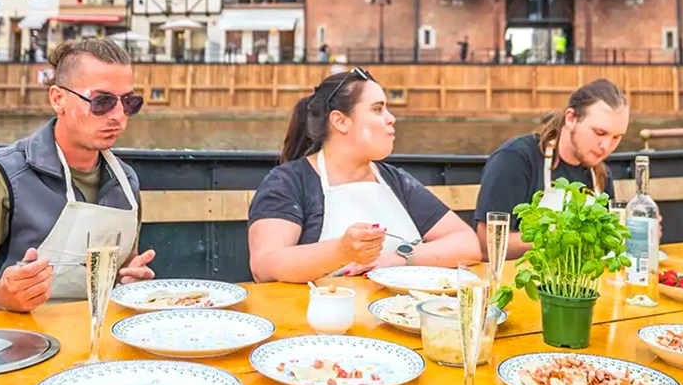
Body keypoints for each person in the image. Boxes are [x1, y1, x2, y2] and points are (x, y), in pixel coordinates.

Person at [0, 38, 157, 317]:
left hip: (94, 336)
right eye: (102, 102)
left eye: (129, 102)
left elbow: (122, 273)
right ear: (58, 99)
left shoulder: (126, 181)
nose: (118, 116)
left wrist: (129, 284)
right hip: (10, 339)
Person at [247, 67, 480, 282]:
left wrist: (398, 259)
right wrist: (341, 251)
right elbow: (264, 265)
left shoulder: (395, 181)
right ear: (340, 121)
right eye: (377, 109)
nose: (391, 118)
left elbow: (467, 243)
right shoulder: (290, 182)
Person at [474, 79, 630, 260]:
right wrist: (559, 239)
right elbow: (487, 243)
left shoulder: (601, 175)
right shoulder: (516, 158)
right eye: (599, 133)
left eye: (616, 137)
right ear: (571, 118)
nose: (606, 146)